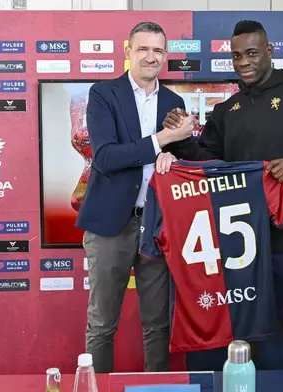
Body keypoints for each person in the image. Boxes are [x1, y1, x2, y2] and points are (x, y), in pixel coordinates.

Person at [156, 20, 283, 369]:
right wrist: (181, 138)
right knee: (243, 337)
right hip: (239, 244)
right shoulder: (226, 110)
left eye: (251, 53)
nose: (243, 62)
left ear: (269, 52)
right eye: (236, 56)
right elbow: (208, 163)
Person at [75, 21, 195, 373]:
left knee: (157, 324)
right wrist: (163, 141)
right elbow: (107, 158)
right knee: (102, 324)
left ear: (165, 56)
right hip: (110, 224)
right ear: (127, 52)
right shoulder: (103, 94)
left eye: (158, 50)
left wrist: (176, 155)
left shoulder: (174, 101)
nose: (150, 56)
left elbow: (181, 157)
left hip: (157, 224)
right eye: (142, 49)